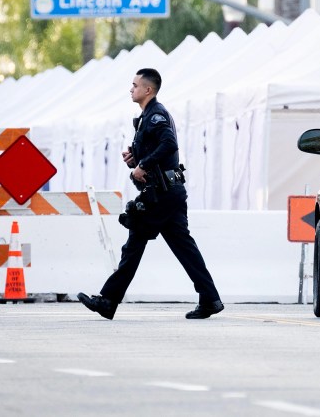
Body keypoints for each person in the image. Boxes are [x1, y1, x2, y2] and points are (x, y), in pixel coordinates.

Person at [78, 68, 223, 320]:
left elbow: (169, 143)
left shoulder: (156, 115)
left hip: (162, 195)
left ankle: (108, 300)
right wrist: (136, 159)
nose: (131, 89)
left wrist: (143, 165)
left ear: (148, 90)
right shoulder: (147, 116)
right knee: (184, 248)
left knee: (134, 245)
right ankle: (210, 299)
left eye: (135, 85)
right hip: (168, 193)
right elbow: (160, 151)